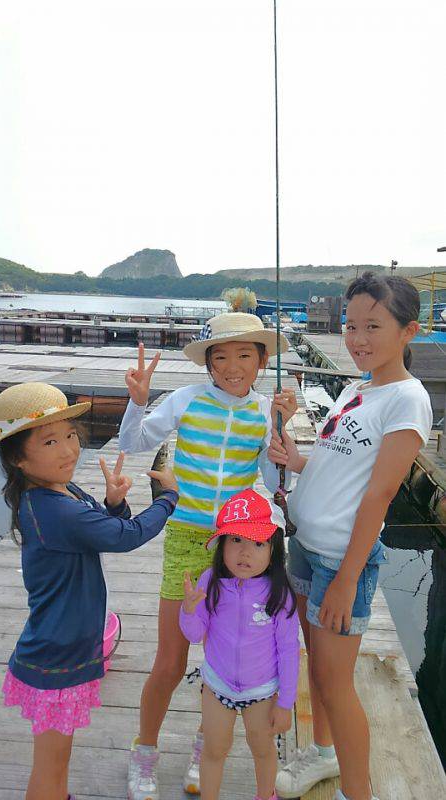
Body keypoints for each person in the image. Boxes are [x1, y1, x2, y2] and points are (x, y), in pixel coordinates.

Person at [118, 312, 295, 799]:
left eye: (244, 355)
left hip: (235, 547)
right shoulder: (186, 399)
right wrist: (137, 404)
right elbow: (135, 442)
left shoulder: (265, 412)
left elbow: (278, 484)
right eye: (221, 357)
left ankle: (204, 750)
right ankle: (144, 752)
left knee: (220, 656)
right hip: (185, 537)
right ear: (209, 364)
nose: (232, 366)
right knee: (171, 661)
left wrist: (284, 432)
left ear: (262, 360)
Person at [270, 272, 433, 800]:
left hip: (342, 561)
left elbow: (378, 496)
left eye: (373, 326)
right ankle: (321, 756)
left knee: (338, 686)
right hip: (306, 548)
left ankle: (357, 793)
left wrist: (344, 580)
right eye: (350, 324)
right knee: (316, 669)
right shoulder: (360, 389)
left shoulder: (406, 400)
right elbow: (341, 464)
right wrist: (296, 460)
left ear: (408, 331)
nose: (357, 338)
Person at [0, 381, 179, 800]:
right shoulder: (53, 508)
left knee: (57, 759)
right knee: (50, 765)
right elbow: (127, 536)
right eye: (49, 441)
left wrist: (114, 502)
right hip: (57, 656)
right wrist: (168, 498)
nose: (68, 450)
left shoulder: (59, 492)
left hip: (63, 646)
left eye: (70, 436)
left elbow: (108, 526)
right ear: (18, 458)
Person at [179, 488, 300, 800]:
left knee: (262, 750)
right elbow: (194, 634)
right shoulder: (210, 582)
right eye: (236, 540)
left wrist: (285, 703)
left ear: (274, 550)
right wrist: (189, 610)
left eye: (258, 543)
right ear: (222, 544)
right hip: (217, 687)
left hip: (261, 693)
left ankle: (265, 795)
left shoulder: (279, 594)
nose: (246, 552)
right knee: (214, 750)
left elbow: (289, 651)